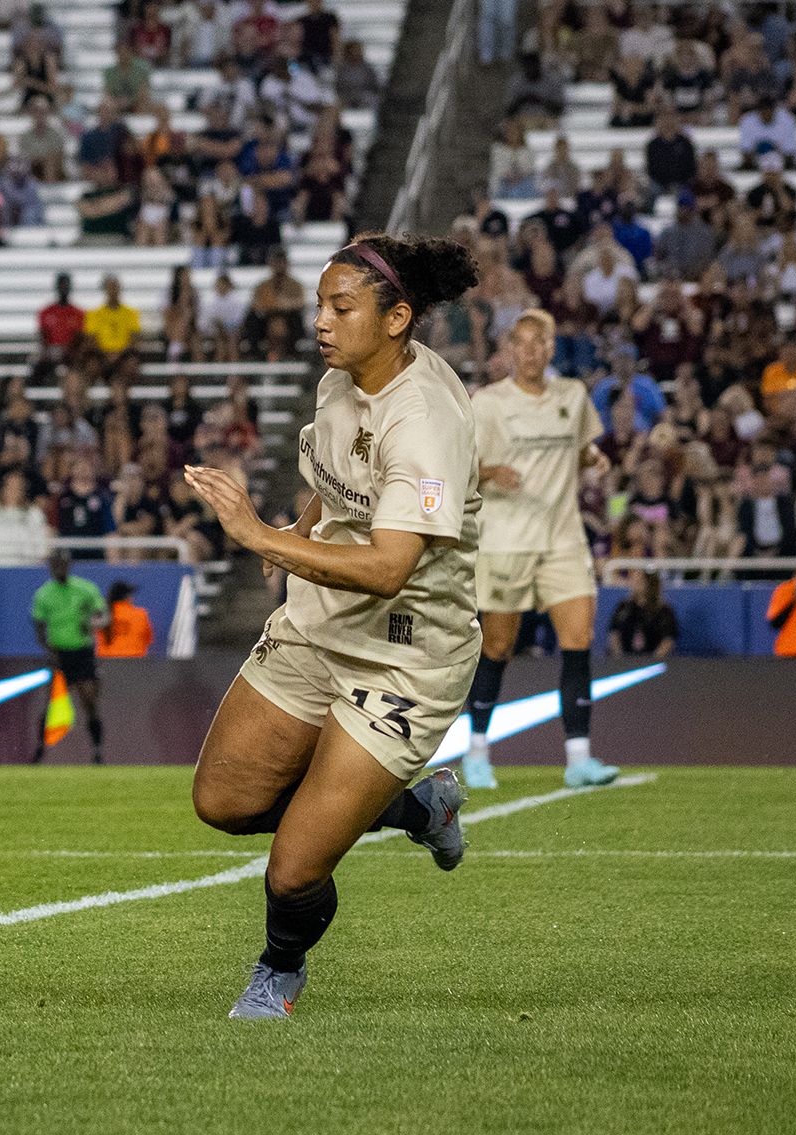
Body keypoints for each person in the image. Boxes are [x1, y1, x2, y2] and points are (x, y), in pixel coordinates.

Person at [181, 234, 481, 1020]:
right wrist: (298, 528)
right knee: (223, 800)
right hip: (318, 625)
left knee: (292, 869)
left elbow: (389, 567)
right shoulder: (340, 379)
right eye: (320, 303)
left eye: (340, 306)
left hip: (403, 657)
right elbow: (337, 480)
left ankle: (279, 970)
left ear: (396, 319)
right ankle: (419, 809)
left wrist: (260, 537)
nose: (320, 319)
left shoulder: (426, 423)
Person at [458, 311, 618, 790]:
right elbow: (458, 465)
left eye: (538, 342)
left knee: (579, 640)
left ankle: (579, 758)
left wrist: (594, 457)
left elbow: (581, 448)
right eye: (520, 343)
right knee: (499, 646)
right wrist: (490, 474)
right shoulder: (487, 404)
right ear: (507, 350)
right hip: (507, 541)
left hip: (564, 538)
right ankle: (478, 751)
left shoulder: (572, 396)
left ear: (551, 348)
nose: (529, 350)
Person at [30, 548, 108, 764]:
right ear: (50, 568)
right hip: (58, 654)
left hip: (82, 652)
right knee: (48, 705)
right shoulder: (44, 594)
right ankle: (39, 749)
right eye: (55, 565)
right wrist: (48, 649)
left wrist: (94, 623)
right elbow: (39, 626)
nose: (59, 569)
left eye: (62, 564)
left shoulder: (85, 589)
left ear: (69, 565)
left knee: (90, 701)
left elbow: (102, 615)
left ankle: (97, 750)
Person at [96, 579, 153, 656]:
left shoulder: (102, 614)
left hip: (106, 662)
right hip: (134, 662)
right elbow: (148, 640)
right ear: (127, 597)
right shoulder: (140, 614)